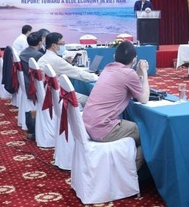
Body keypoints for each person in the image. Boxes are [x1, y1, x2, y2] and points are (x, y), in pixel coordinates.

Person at [82, 41, 150, 169]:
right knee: (147, 134)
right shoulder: (128, 74)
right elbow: (144, 99)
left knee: (136, 130)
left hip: (87, 124)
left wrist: (137, 72)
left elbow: (131, 81)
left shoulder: (108, 68)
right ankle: (132, 172)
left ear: (114, 57)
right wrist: (145, 72)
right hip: (102, 129)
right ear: (134, 60)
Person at [37, 32, 97, 106]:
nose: (63, 46)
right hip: (58, 95)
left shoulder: (43, 58)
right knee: (88, 100)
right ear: (53, 45)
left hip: (47, 93)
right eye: (61, 44)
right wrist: (95, 77)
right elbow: (77, 73)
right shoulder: (56, 60)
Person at [19, 32, 44, 140]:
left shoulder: (22, 53)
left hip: (25, 82)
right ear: (40, 42)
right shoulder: (38, 55)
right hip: (33, 85)